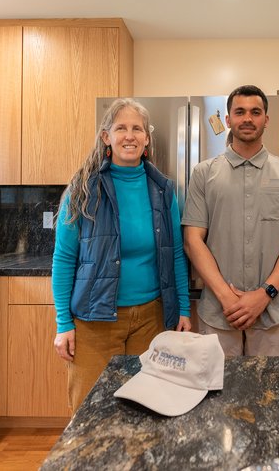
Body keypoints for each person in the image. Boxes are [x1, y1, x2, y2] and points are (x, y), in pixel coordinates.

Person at [52, 98, 191, 412]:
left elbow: (175, 256)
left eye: (137, 129)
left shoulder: (163, 190)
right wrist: (63, 323)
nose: (130, 135)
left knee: (147, 410)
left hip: (152, 318)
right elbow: (63, 259)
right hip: (94, 321)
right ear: (107, 137)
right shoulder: (83, 190)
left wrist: (183, 307)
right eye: (121, 128)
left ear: (146, 139)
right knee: (90, 412)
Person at [182, 85, 279, 356]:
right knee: (218, 392)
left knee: (269, 394)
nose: (248, 118)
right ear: (228, 120)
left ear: (266, 119)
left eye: (255, 112)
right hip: (218, 311)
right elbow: (193, 241)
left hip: (271, 312)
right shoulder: (204, 173)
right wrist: (226, 297)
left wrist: (264, 294)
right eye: (239, 112)